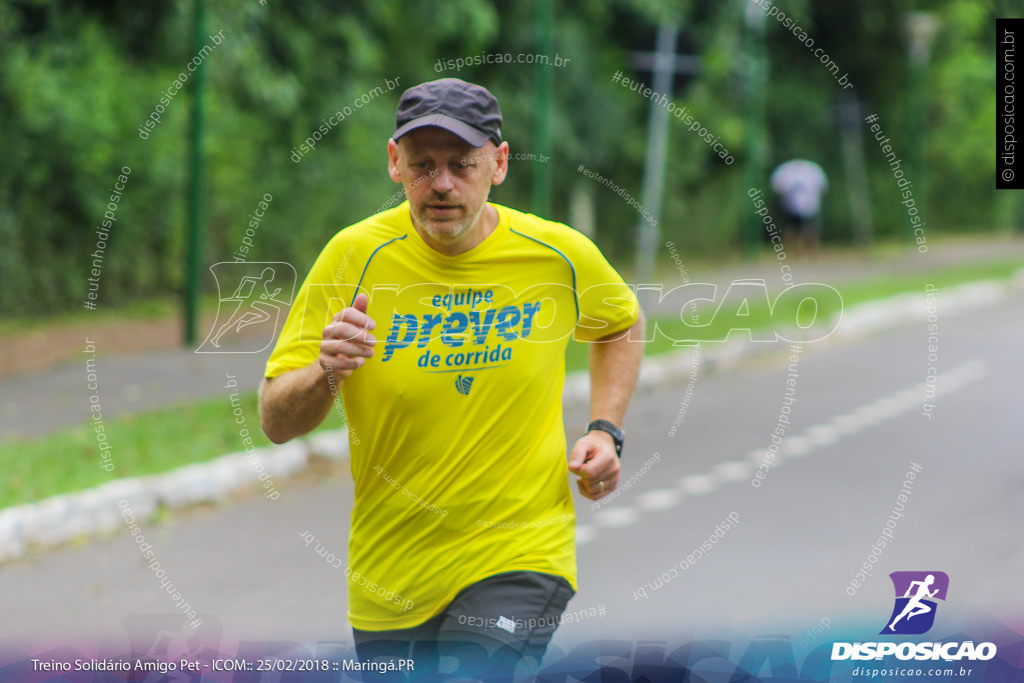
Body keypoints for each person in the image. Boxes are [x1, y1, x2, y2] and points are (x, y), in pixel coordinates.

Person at [259, 78, 644, 680]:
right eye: (423, 165)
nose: (441, 184)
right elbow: (277, 422)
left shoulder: (557, 255)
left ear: (499, 163)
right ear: (394, 163)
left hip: (520, 550)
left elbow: (619, 324)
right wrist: (325, 372)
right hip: (390, 572)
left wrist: (605, 428)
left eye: (461, 165)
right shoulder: (352, 257)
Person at [770, 158, 828, 257]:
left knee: (811, 229)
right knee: (794, 229)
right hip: (792, 206)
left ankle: (811, 252)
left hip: (809, 205)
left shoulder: (811, 169)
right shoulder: (787, 170)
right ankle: (794, 252)